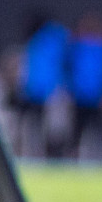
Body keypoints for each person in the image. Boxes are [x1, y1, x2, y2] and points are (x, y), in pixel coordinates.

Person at [65, 12, 102, 162]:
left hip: (98, 96)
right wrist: (70, 90)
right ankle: (75, 156)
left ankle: (96, 156)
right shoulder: (75, 46)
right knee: (78, 128)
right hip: (80, 95)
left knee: (96, 128)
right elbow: (68, 69)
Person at [15, 12, 70, 158]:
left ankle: (38, 154)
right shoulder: (59, 37)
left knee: (44, 126)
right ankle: (42, 154)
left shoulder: (40, 40)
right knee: (42, 126)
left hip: (41, 90)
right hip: (46, 90)